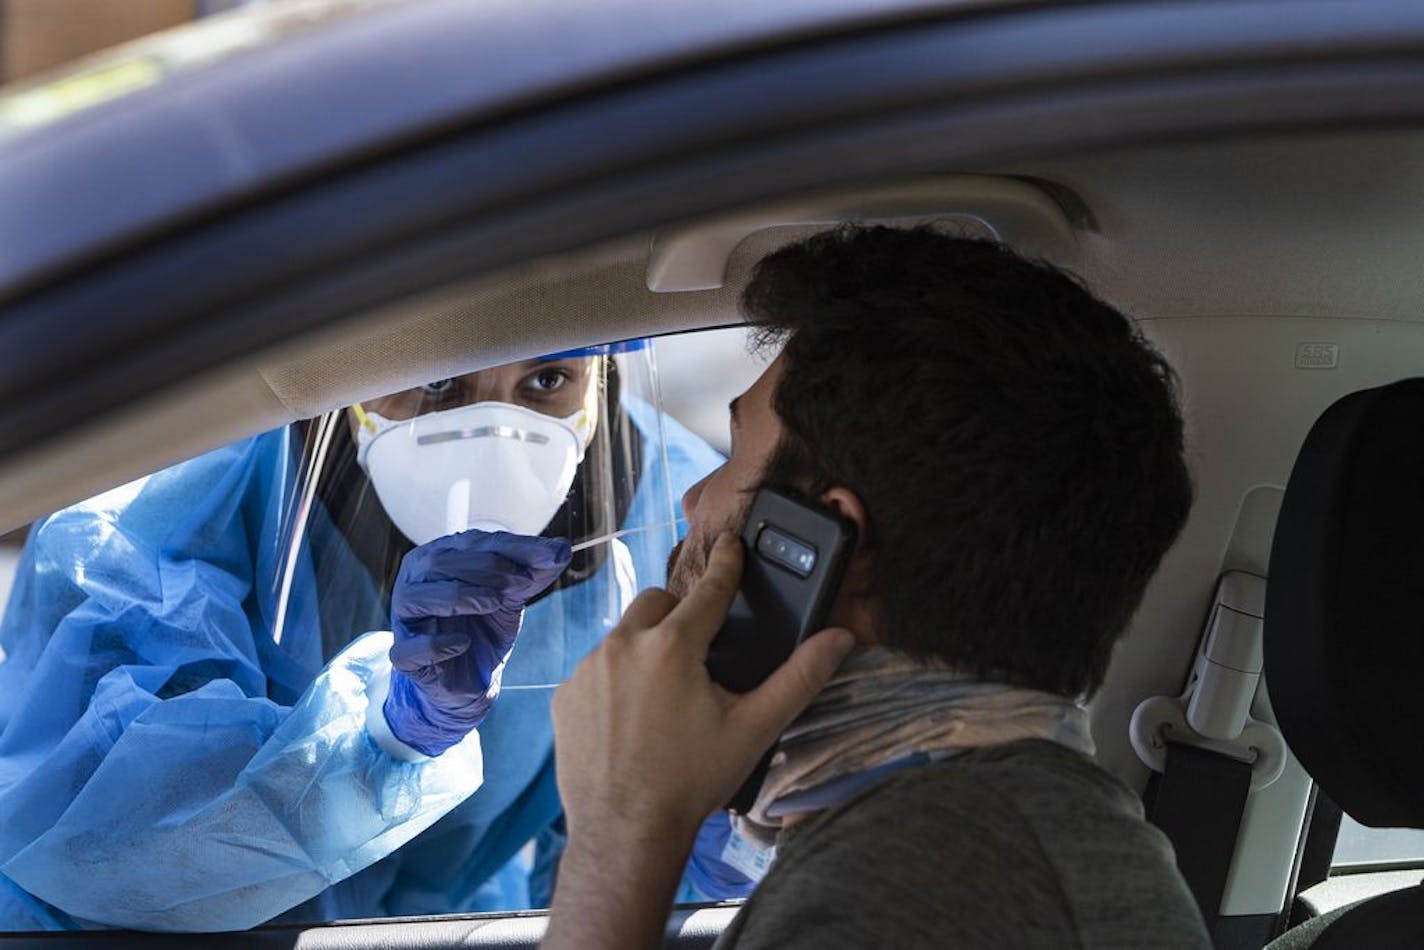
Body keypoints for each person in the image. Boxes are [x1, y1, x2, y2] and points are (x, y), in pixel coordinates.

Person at [545, 227, 1213, 948]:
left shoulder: (918, 880)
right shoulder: (1015, 826)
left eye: (736, 452)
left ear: (818, 541)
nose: (692, 501)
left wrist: (619, 831)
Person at [0, 342, 748, 932]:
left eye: (548, 381)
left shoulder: (671, 509)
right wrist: (383, 739)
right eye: (436, 383)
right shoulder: (161, 514)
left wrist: (709, 846)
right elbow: (90, 849)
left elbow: (608, 882)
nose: (495, 431)